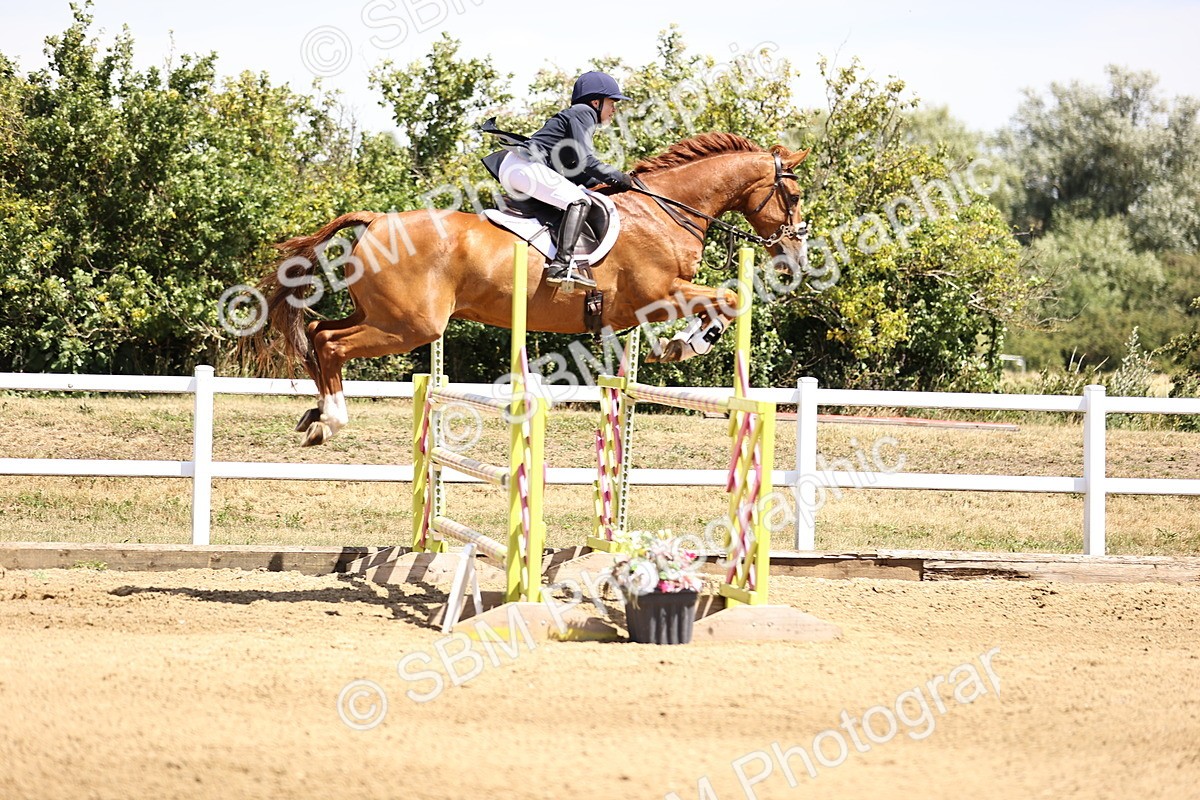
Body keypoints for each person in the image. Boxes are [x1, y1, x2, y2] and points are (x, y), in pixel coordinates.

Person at [482, 71, 635, 289]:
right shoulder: (584, 112)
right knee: (579, 201)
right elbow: (586, 160)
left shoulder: (578, 117)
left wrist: (602, 183)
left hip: (517, 167)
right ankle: (561, 267)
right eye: (612, 103)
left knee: (566, 205)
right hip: (523, 165)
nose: (614, 110)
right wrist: (618, 177)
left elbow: (575, 170)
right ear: (596, 102)